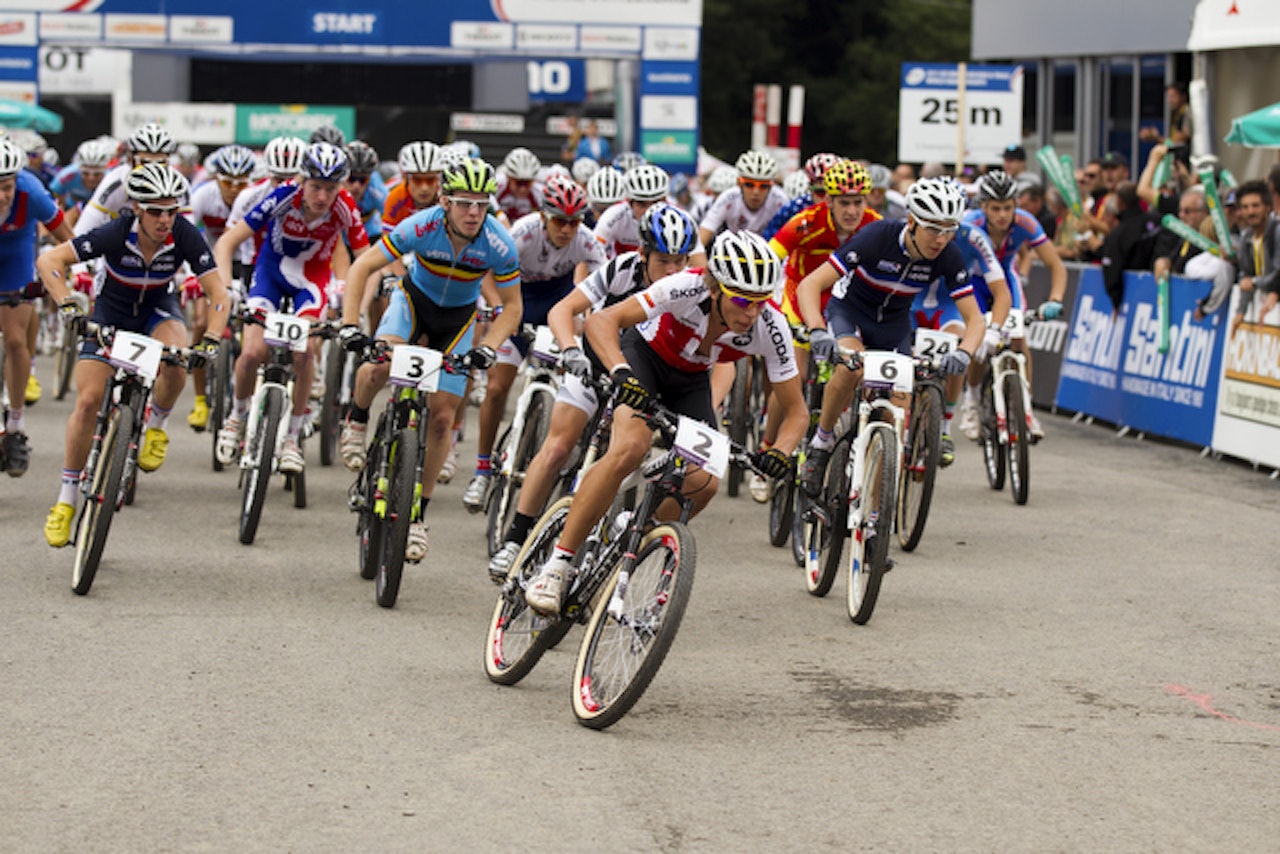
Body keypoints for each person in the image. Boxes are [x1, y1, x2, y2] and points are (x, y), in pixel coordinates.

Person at [523, 230, 808, 615]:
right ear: (714, 288)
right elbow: (603, 321)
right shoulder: (684, 288)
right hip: (645, 360)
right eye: (742, 300)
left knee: (705, 481)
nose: (752, 312)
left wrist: (781, 453)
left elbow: (796, 411)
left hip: (690, 381)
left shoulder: (770, 326)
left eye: (761, 302)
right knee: (630, 448)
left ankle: (636, 538)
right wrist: (620, 372)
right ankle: (558, 564)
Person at [486, 203, 698, 580]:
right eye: (663, 261)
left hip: (640, 381)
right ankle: (515, 539)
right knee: (558, 447)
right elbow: (563, 310)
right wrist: (570, 351)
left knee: (629, 455)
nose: (672, 271)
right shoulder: (621, 270)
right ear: (643, 254)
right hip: (595, 365)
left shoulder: (690, 289)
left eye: (680, 262)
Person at [337, 158, 523, 562]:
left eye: (481, 203)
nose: (473, 212)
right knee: (378, 364)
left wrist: (489, 345)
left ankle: (418, 512)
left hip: (457, 321)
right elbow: (363, 266)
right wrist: (351, 324)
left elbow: (511, 307)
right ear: (444, 201)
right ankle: (356, 417)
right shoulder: (421, 226)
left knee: (441, 417)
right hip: (412, 304)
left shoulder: (498, 242)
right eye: (463, 202)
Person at [38, 163, 229, 546]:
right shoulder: (114, 233)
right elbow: (49, 261)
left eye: (171, 210)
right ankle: (66, 500)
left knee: (176, 359)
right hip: (111, 312)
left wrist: (210, 338)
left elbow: (219, 295)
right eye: (155, 210)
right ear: (137, 209)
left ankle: (155, 426)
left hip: (157, 311)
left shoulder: (184, 236)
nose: (164, 219)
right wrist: (69, 307)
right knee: (89, 400)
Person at [795, 178, 985, 497]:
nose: (941, 239)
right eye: (933, 228)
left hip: (894, 325)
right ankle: (821, 443)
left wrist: (964, 352)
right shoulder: (876, 237)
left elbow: (975, 319)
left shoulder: (948, 255)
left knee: (898, 408)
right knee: (850, 367)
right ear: (911, 221)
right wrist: (816, 329)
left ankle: (874, 513)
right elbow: (810, 285)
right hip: (851, 314)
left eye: (948, 229)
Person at [213, 142, 370, 475]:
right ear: (303, 181)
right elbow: (227, 242)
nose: (322, 196)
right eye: (315, 186)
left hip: (311, 281)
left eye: (330, 188)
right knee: (253, 352)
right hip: (270, 272)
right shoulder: (283, 196)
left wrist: (349, 298)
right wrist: (226, 288)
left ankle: (293, 438)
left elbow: (366, 259)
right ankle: (236, 416)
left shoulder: (345, 207)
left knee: (304, 353)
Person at [462, 175, 606, 512]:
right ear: (543, 216)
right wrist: (497, 307)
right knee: (497, 388)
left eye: (574, 221)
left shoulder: (587, 241)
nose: (567, 229)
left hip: (556, 304)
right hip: (517, 299)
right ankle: (482, 468)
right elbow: (487, 272)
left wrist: (592, 320)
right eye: (559, 220)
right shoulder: (523, 233)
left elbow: (602, 289)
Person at [956, 169, 1068, 441]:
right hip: (974, 282)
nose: (1002, 215)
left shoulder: (1026, 224)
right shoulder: (970, 224)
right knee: (980, 343)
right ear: (983, 206)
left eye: (1008, 208)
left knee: (1018, 339)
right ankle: (971, 402)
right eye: (995, 208)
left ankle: (1025, 407)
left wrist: (1055, 300)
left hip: (1005, 280)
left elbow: (1056, 266)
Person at [0, 138, 74, 476]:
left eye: (7, 187)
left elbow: (68, 241)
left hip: (15, 258)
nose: (3, 196)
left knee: (15, 340)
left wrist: (75, 273)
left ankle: (15, 427)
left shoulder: (32, 191)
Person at [184, 143, 256, 431]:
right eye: (227, 182)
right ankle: (201, 399)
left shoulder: (253, 198)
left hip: (246, 263)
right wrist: (189, 274)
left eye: (241, 183)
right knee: (202, 323)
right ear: (217, 179)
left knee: (251, 330)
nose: (234, 189)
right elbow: (186, 233)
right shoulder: (203, 195)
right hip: (211, 263)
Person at [696, 149, 788, 246]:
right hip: (734, 248)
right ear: (739, 183)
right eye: (749, 184)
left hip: (768, 249)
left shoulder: (780, 200)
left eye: (763, 186)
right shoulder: (728, 198)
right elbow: (702, 238)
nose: (756, 192)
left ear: (771, 187)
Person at [1229, 180, 1279, 337]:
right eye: (1245, 207)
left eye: (1256, 206)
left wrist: (1257, 284)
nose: (1250, 212)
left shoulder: (1277, 232)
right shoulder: (1246, 238)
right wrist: (1241, 310)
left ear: (1268, 207)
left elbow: (1278, 274)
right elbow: (1246, 275)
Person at [495, 147, 543, 225]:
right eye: (519, 183)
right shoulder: (497, 184)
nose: (522, 189)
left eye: (527, 183)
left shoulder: (539, 191)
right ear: (508, 177)